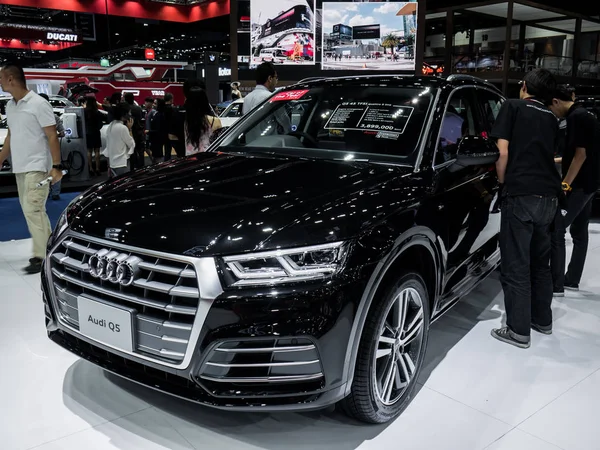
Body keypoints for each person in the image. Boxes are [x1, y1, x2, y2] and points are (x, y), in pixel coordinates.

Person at [489, 68, 562, 349]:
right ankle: (542, 320)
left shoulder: (513, 107)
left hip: (521, 195)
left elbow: (502, 152)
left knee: (516, 265)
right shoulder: (551, 118)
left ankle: (518, 331)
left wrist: (503, 181)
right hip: (549, 198)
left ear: (523, 86)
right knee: (539, 265)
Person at [0, 63, 63, 274]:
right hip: (20, 167)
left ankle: (41, 255)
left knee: (33, 209)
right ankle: (49, 249)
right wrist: (0, 159)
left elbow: (52, 135)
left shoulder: (38, 103)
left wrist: (56, 166)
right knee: (33, 211)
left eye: (1, 77)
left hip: (37, 166)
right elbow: (10, 135)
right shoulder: (10, 106)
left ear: (11, 79)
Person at [549, 86, 600, 295]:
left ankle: (556, 284)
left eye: (551, 109)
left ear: (555, 102)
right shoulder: (588, 115)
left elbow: (580, 156)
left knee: (557, 229)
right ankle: (572, 279)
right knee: (580, 233)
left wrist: (565, 185)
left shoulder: (576, 117)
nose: (553, 113)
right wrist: (556, 160)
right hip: (590, 183)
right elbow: (584, 152)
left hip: (578, 185)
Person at [38, 93, 65, 201]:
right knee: (56, 167)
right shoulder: (55, 117)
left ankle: (45, 192)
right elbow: (62, 133)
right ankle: (55, 192)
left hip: (39, 149)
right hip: (53, 148)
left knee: (42, 171)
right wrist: (55, 135)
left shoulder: (34, 118)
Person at [184, 87, 222, 155]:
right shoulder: (214, 121)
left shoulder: (187, 122)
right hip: (208, 158)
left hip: (190, 158)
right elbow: (220, 143)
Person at [104, 102, 135, 178]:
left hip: (112, 162)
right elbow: (131, 144)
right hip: (122, 163)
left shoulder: (111, 125)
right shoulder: (123, 128)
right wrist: (130, 129)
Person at [84, 96, 105, 177]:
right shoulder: (97, 112)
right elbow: (102, 122)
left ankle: (90, 169)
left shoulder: (84, 111)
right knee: (97, 151)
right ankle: (97, 169)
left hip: (87, 133)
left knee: (89, 151)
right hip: (96, 132)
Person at [123, 92, 145, 170]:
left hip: (130, 131)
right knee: (140, 150)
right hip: (139, 131)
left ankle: (132, 168)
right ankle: (142, 167)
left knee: (132, 150)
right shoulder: (138, 108)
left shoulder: (125, 109)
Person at [148, 98, 169, 163]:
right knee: (155, 155)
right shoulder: (157, 113)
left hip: (158, 139)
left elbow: (159, 130)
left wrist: (149, 132)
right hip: (155, 139)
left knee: (158, 156)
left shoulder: (160, 115)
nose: (153, 105)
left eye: (155, 103)